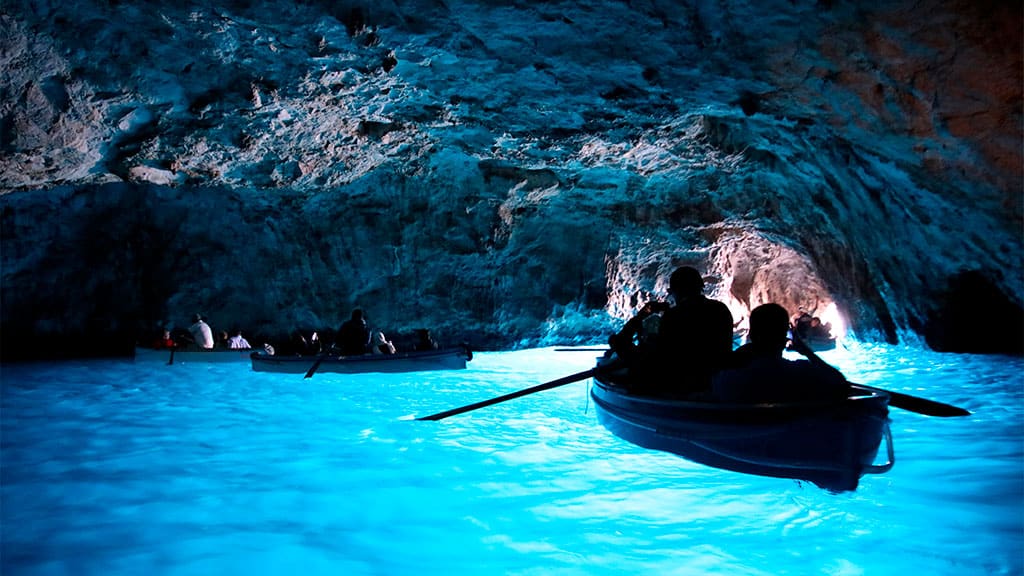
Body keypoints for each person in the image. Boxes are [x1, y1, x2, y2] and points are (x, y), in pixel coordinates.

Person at [609, 266, 734, 396]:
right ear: (700, 287)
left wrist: (641, 316)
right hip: (715, 378)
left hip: (678, 382)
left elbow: (664, 354)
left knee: (616, 341)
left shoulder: (674, 315)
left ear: (676, 291)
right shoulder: (721, 309)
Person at [713, 303, 849, 403]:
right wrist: (808, 352)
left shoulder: (727, 380)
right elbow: (841, 385)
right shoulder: (800, 372)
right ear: (785, 337)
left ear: (752, 334)